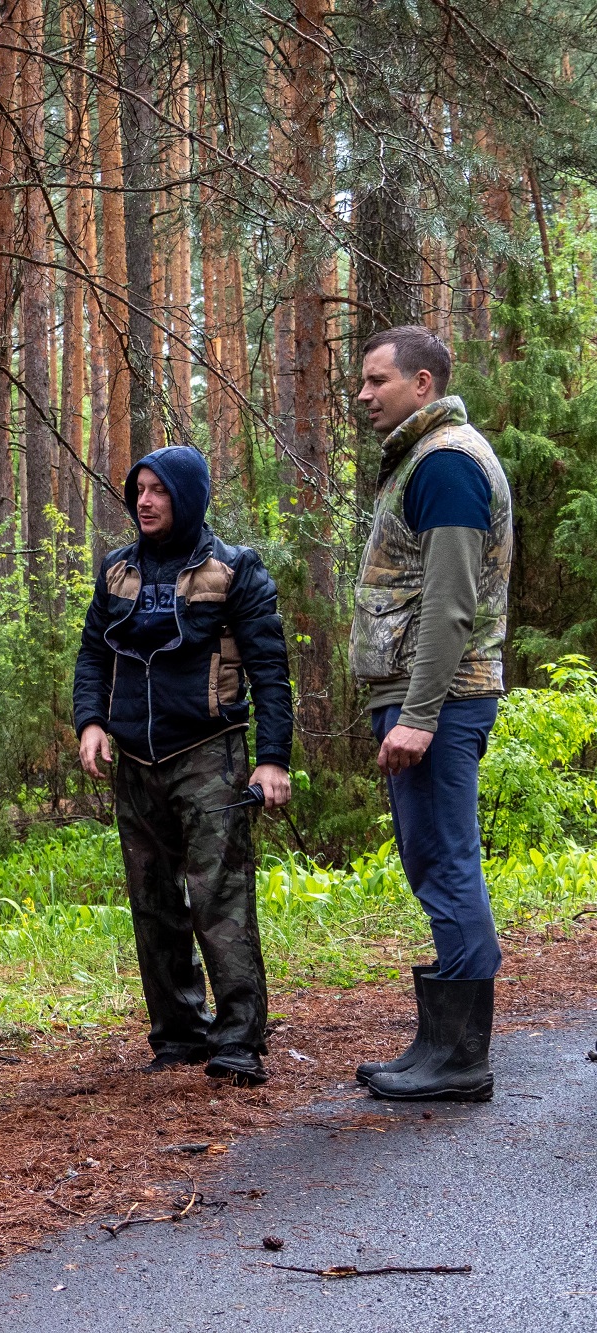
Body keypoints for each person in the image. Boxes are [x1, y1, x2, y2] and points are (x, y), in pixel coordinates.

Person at [72, 445, 293, 1088]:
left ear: (187, 498)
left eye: (159, 490)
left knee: (220, 899)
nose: (144, 500)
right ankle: (176, 1033)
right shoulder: (116, 571)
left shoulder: (235, 571)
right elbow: (93, 656)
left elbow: (270, 672)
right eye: (138, 489)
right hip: (134, 761)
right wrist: (89, 721)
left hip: (209, 755)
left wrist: (273, 759)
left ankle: (238, 1040)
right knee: (153, 902)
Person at [349, 325, 513, 1103]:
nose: (363, 394)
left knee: (447, 863)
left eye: (377, 380)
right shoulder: (428, 458)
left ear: (422, 383)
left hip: (439, 700)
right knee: (435, 862)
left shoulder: (446, 462)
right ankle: (440, 1042)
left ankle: (461, 1057)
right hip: (428, 696)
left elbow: (451, 605)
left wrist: (418, 714)